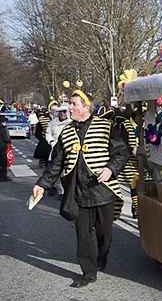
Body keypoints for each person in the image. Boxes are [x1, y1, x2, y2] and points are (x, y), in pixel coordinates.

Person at [32, 90, 129, 288]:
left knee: (105, 234)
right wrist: (41, 185)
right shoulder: (66, 132)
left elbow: (121, 152)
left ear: (86, 107)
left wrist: (110, 169)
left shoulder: (106, 126)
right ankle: (88, 272)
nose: (70, 107)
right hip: (78, 191)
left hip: (103, 190)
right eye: (70, 104)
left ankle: (101, 257)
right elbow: (56, 163)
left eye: (74, 104)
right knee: (84, 235)